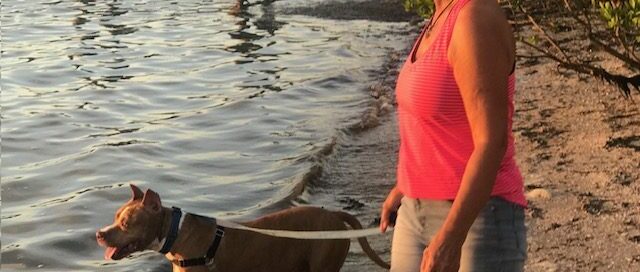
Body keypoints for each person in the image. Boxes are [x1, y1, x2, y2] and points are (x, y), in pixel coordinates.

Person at [379, 0, 527, 271]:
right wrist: (404, 186)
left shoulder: (474, 18)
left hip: (476, 220)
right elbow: (436, 125)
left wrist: (452, 236)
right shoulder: (440, 15)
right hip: (415, 213)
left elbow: (491, 142)